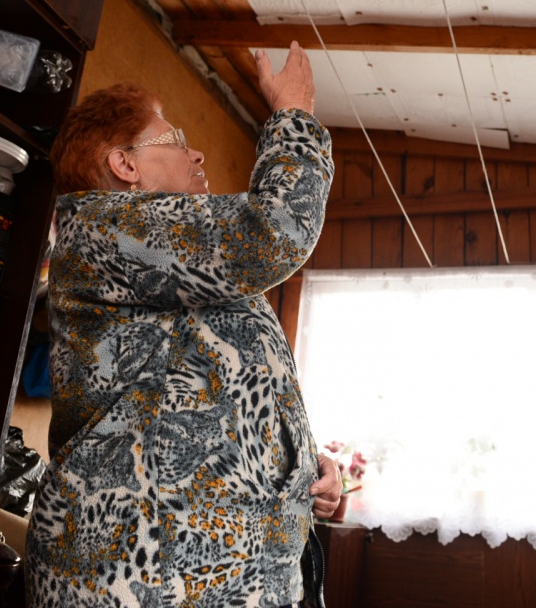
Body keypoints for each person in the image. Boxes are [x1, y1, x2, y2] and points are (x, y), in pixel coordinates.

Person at [26, 42, 341, 608]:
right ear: (124, 165)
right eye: (172, 141)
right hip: (136, 580)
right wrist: (294, 117)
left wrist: (305, 462)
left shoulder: (182, 268)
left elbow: (233, 392)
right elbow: (275, 230)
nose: (196, 154)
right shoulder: (101, 230)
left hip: (231, 579)